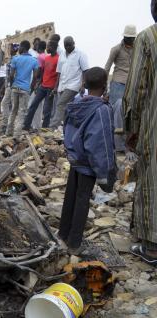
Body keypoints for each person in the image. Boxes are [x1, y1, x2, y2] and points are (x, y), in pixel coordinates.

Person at [59, 67, 115, 255]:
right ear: (104, 85)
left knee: (70, 196)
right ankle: (74, 244)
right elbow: (100, 145)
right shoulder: (102, 111)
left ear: (84, 84)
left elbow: (66, 129)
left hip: (75, 158)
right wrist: (104, 173)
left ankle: (62, 234)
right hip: (88, 165)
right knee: (82, 200)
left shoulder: (75, 104)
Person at [124, 0, 157, 265]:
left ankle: (153, 247)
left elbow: (137, 89)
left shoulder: (149, 37)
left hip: (155, 123)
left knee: (152, 177)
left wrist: (132, 128)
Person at [50, 36, 89, 129]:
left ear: (73, 43)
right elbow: (59, 72)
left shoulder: (81, 54)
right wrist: (56, 87)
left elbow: (85, 70)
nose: (67, 47)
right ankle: (68, 129)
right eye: (65, 46)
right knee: (68, 108)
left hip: (73, 85)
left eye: (69, 45)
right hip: (62, 85)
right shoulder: (62, 55)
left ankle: (53, 126)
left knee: (60, 104)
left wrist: (83, 85)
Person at [5, 40, 39, 137]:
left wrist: (12, 85)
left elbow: (11, 75)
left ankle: (8, 132)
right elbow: (36, 76)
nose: (18, 49)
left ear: (23, 48)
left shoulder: (16, 59)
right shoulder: (34, 60)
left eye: (19, 47)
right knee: (22, 112)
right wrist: (31, 88)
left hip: (15, 87)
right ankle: (16, 135)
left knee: (14, 110)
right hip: (25, 89)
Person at [23, 41, 59, 130]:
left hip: (51, 87)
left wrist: (55, 88)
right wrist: (38, 83)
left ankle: (45, 128)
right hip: (43, 86)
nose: (47, 48)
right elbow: (43, 71)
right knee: (33, 105)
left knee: (47, 110)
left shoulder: (59, 59)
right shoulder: (47, 58)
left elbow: (59, 75)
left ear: (53, 47)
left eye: (49, 46)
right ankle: (26, 125)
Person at [105, 25, 137, 106]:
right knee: (116, 108)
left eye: (132, 38)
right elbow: (107, 67)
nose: (130, 39)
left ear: (134, 38)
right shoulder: (116, 49)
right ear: (124, 36)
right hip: (118, 83)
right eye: (128, 37)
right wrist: (104, 85)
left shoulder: (138, 48)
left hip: (133, 83)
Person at [0, 43, 19, 133]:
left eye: (10, 48)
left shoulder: (14, 59)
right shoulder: (12, 59)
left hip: (12, 86)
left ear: (14, 50)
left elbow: (11, 75)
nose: (9, 50)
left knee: (5, 104)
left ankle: (6, 125)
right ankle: (8, 125)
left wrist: (9, 86)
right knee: (10, 105)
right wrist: (4, 87)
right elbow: (7, 76)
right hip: (10, 85)